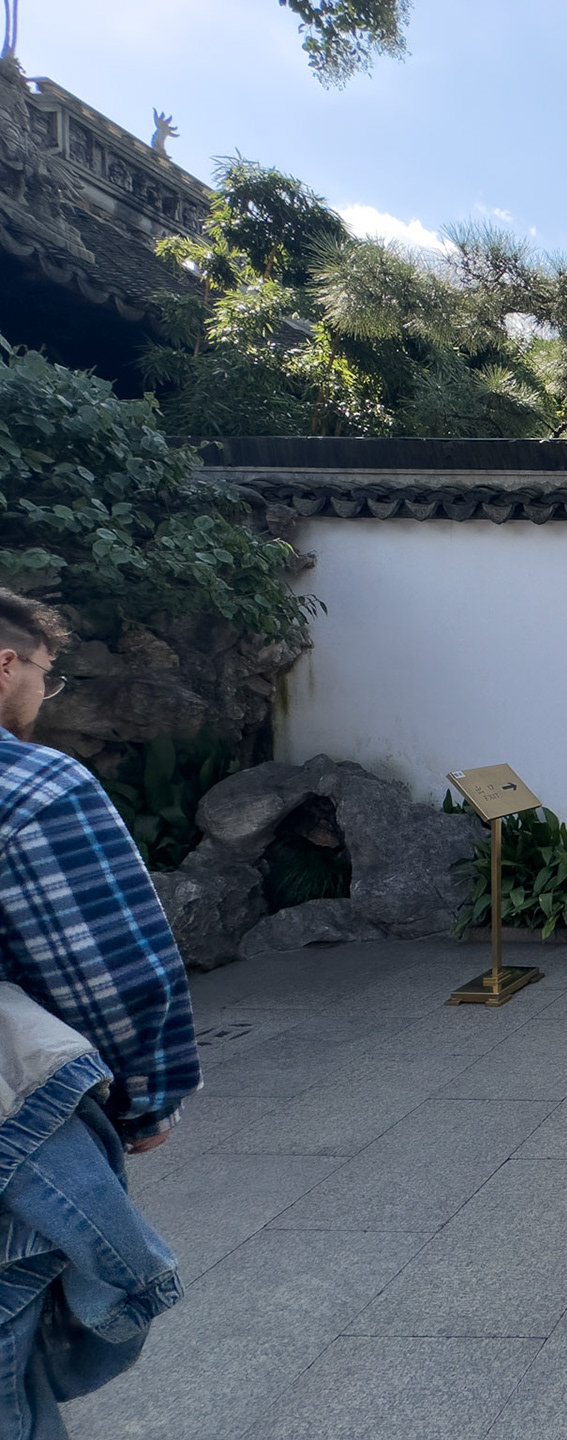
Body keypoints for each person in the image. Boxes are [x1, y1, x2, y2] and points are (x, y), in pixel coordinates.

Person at [0, 589, 198, 1438]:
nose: (45, 693)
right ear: (6, 664)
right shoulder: (33, 784)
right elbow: (111, 967)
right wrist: (145, 1102)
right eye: (47, 674)